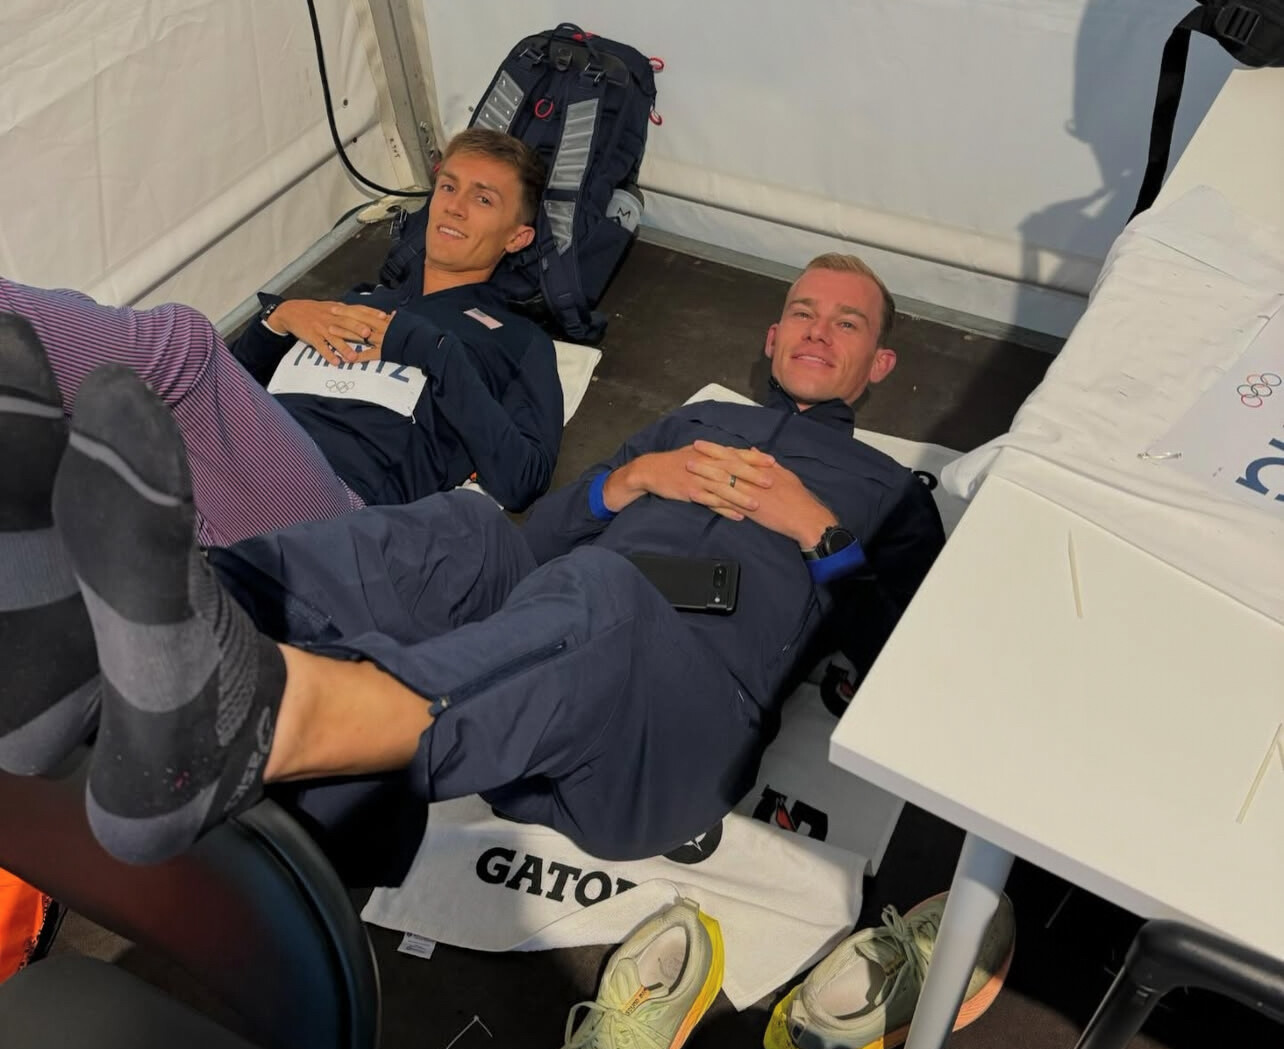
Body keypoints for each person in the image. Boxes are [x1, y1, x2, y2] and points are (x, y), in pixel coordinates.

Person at [0, 253, 944, 871]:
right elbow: (538, 542)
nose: (817, 330)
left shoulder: (888, 489)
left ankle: (262, 728)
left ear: (880, 364)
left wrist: (820, 532)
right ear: (772, 338)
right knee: (467, 524)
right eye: (802, 312)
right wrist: (625, 484)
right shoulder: (697, 420)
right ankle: (116, 658)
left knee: (605, 593)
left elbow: (908, 660)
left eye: (847, 324)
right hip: (547, 634)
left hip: (674, 727)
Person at [0, 128, 562, 549]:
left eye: (483, 199)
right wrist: (278, 322)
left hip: (332, 515)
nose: (455, 206)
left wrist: (432, 351)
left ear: (517, 237)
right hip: (217, 486)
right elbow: (230, 396)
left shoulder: (517, 341)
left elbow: (522, 480)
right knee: (57, 401)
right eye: (448, 186)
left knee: (186, 345)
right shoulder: (363, 297)